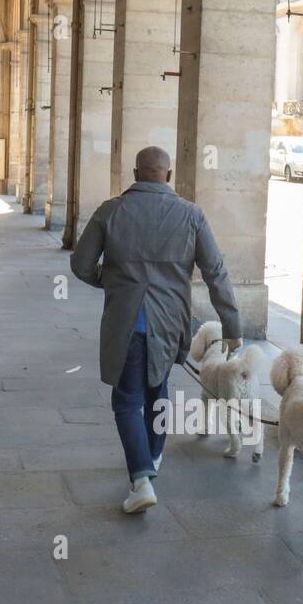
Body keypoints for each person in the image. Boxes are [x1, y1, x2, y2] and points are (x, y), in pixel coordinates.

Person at [70, 145, 241, 513]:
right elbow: (216, 272)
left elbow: (82, 265)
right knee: (157, 387)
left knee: (126, 400)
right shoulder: (191, 215)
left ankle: (141, 479)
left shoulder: (110, 211)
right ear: (169, 174)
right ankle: (154, 456)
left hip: (127, 322)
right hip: (170, 323)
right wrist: (232, 324)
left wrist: (114, 282)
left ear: (135, 173)